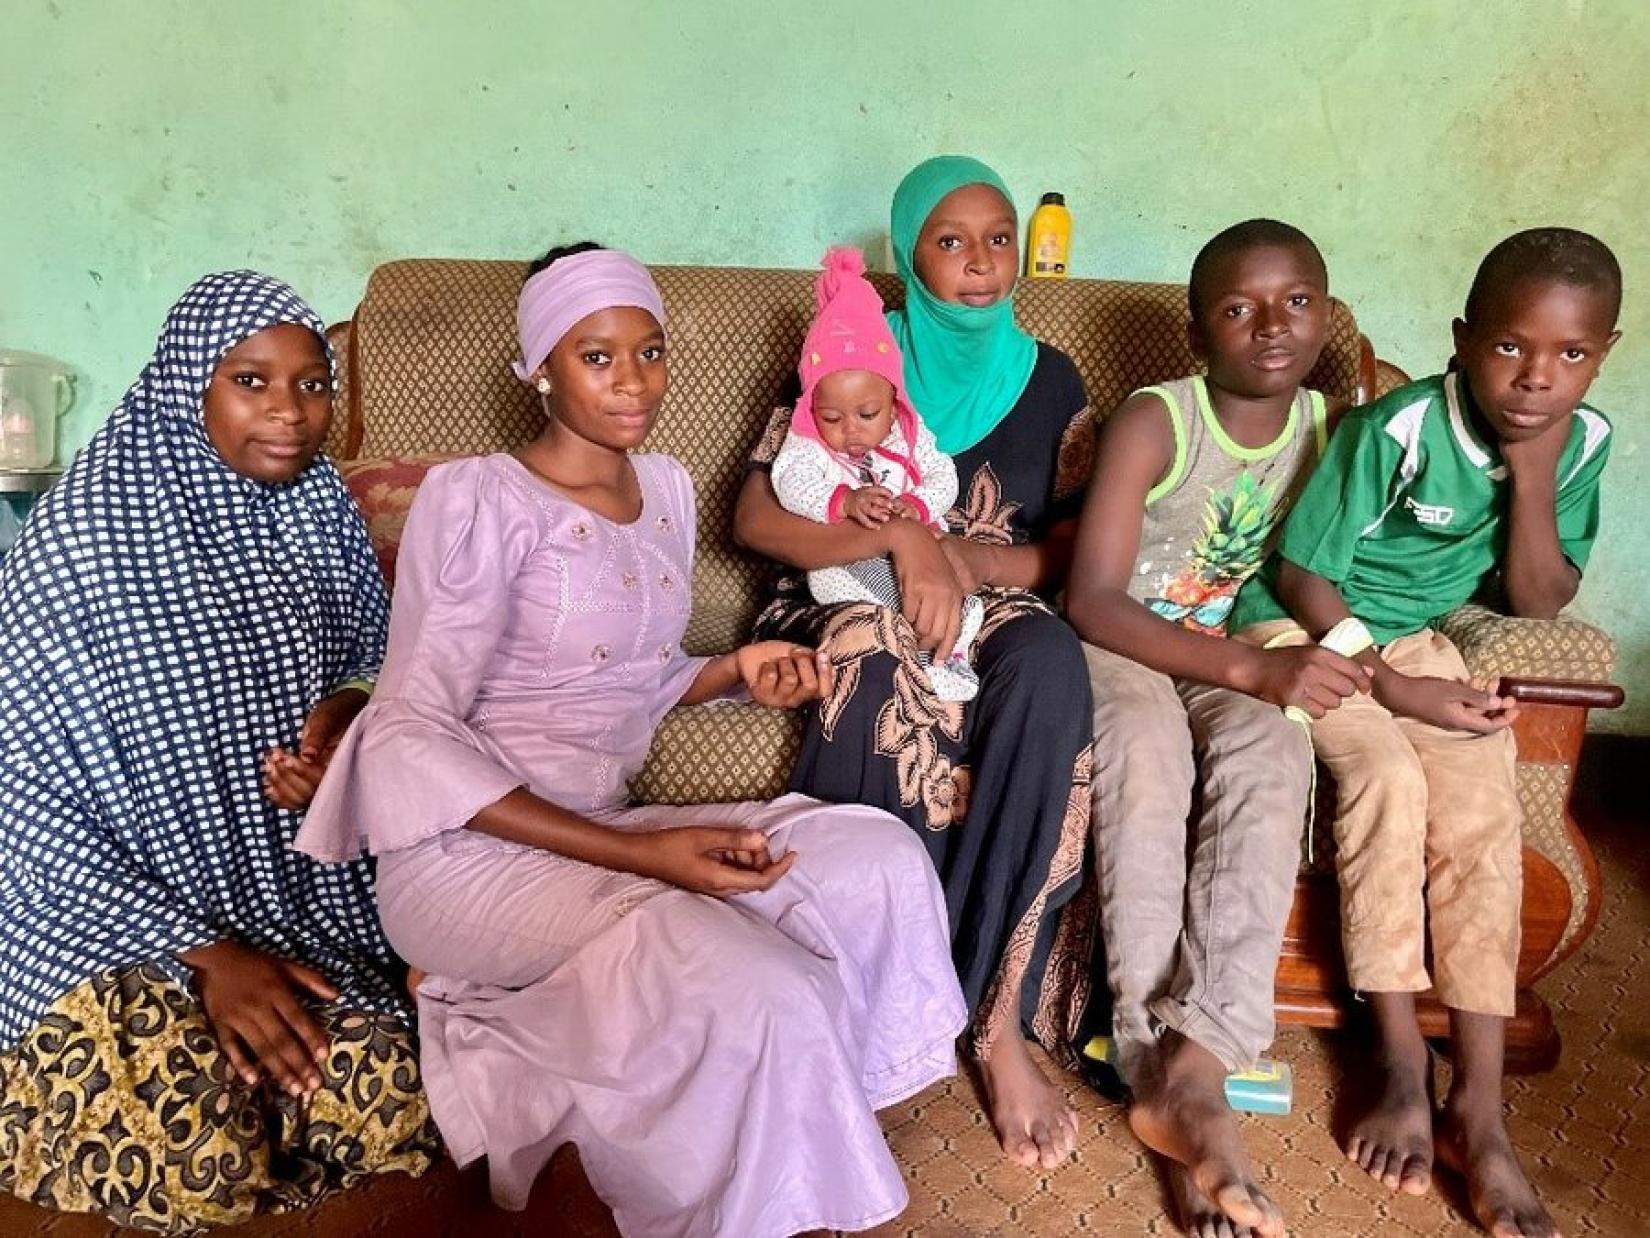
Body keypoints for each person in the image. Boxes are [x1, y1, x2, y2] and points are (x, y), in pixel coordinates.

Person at [296, 244, 967, 1238]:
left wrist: (729, 671)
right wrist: (646, 857)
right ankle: (733, 1173)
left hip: (596, 821)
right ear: (538, 366)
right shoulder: (476, 499)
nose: (632, 380)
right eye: (595, 355)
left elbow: (616, 676)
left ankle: (808, 1142)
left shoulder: (665, 491)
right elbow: (409, 730)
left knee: (877, 856)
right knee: (755, 982)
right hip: (462, 859)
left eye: (648, 352)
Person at [0, 272, 433, 1233]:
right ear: (187, 387)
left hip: (296, 901)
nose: (290, 412)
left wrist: (346, 721)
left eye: (314, 383)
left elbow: (378, 651)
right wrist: (209, 956)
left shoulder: (317, 508)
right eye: (251, 381)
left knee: (393, 1093)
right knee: (191, 1148)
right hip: (101, 920)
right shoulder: (82, 539)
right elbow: (23, 802)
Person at [1232, 226, 1622, 1238]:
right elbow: (1300, 574)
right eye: (1509, 347)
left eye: (1570, 355)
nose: (1536, 377)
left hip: (1417, 640)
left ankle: (1480, 1110)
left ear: (1604, 354)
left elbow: (1537, 596)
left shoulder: (1582, 442)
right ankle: (1401, 1060)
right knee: (1388, 781)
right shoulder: (1396, 428)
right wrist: (1395, 690)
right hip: (1310, 628)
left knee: (1484, 806)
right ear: (1463, 338)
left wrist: (1532, 473)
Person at [735, 155, 1096, 1169]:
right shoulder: (848, 351)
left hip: (989, 598)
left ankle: (996, 1016)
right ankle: (856, 1002)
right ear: (907, 254)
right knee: (870, 654)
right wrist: (899, 543)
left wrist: (953, 562)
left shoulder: (1053, 378)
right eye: (950, 240)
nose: (980, 263)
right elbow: (758, 512)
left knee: (1051, 662)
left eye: (997, 239)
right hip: (839, 594)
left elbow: (1067, 552)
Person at [1066, 220, 1367, 1237]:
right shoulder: (1160, 419)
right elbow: (1095, 598)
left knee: (1275, 747)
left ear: (1327, 313)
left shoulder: (1334, 427)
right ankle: (1162, 1067)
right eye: (1238, 307)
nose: (1271, 326)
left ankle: (1200, 1060)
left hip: (1240, 648)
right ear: (1199, 329)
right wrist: (1251, 663)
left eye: (1296, 302)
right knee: (1147, 756)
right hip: (1127, 646)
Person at [771, 245, 984, 701]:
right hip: (847, 555)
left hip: (922, 555)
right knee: (842, 585)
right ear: (812, 408)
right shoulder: (805, 439)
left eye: (868, 413)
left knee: (953, 589)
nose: (851, 431)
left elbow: (942, 475)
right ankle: (921, 658)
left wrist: (919, 504)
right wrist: (844, 502)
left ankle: (952, 650)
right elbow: (789, 481)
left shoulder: (909, 433)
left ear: (894, 401)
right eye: (831, 417)